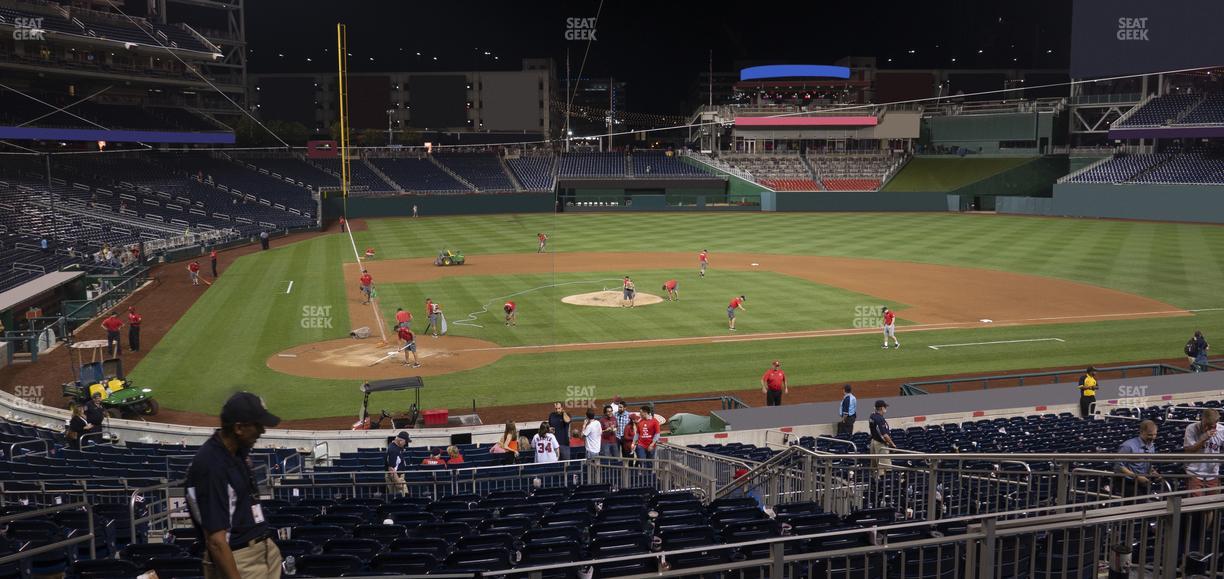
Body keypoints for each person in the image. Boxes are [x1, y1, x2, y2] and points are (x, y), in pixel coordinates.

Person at [184, 392, 284, 579]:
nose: (262, 431)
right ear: (239, 428)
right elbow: (216, 541)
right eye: (258, 425)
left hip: (264, 551)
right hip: (241, 560)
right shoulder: (211, 466)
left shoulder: (236, 451)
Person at [1115, 420, 1161, 498]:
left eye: (1155, 435)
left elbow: (1147, 463)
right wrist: (1136, 477)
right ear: (1142, 432)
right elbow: (1118, 466)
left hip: (1143, 481)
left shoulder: (1151, 446)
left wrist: (1153, 472)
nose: (1153, 438)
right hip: (1128, 482)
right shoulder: (1128, 446)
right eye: (1150, 435)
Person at [1183, 408, 1223, 496]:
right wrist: (1203, 439)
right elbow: (1188, 451)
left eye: (1210, 426)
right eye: (1205, 424)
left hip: (1213, 473)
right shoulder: (1191, 428)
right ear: (1202, 419)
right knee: (1196, 504)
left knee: (1211, 505)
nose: (1206, 428)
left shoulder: (1222, 431)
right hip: (1194, 473)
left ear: (1216, 422)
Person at [869, 400, 896, 476]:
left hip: (874, 441)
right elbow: (885, 435)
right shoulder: (880, 419)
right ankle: (883, 484)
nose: (885, 409)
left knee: (875, 466)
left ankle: (876, 482)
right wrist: (892, 444)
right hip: (880, 444)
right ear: (881, 408)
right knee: (884, 468)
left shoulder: (872, 416)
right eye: (885, 407)